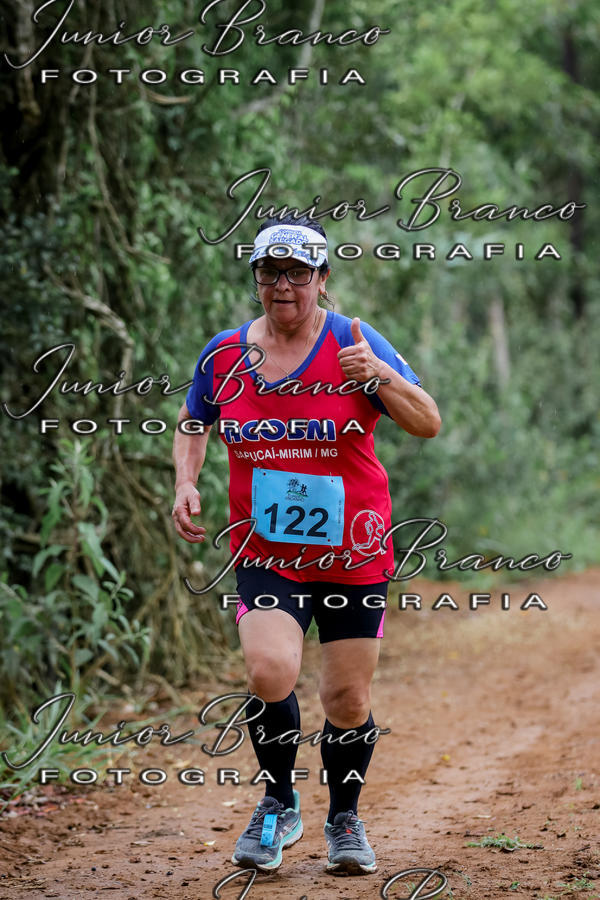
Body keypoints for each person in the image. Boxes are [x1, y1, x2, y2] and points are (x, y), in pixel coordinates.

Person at [171, 215, 441, 876]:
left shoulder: (355, 340)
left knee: (347, 700)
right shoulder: (225, 354)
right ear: (256, 278)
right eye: (270, 272)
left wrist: (378, 376)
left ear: (323, 279)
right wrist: (185, 481)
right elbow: (193, 419)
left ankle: (344, 818)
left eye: (298, 273)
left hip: (354, 550)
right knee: (269, 671)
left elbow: (427, 422)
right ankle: (279, 801)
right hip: (268, 552)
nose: (283, 285)